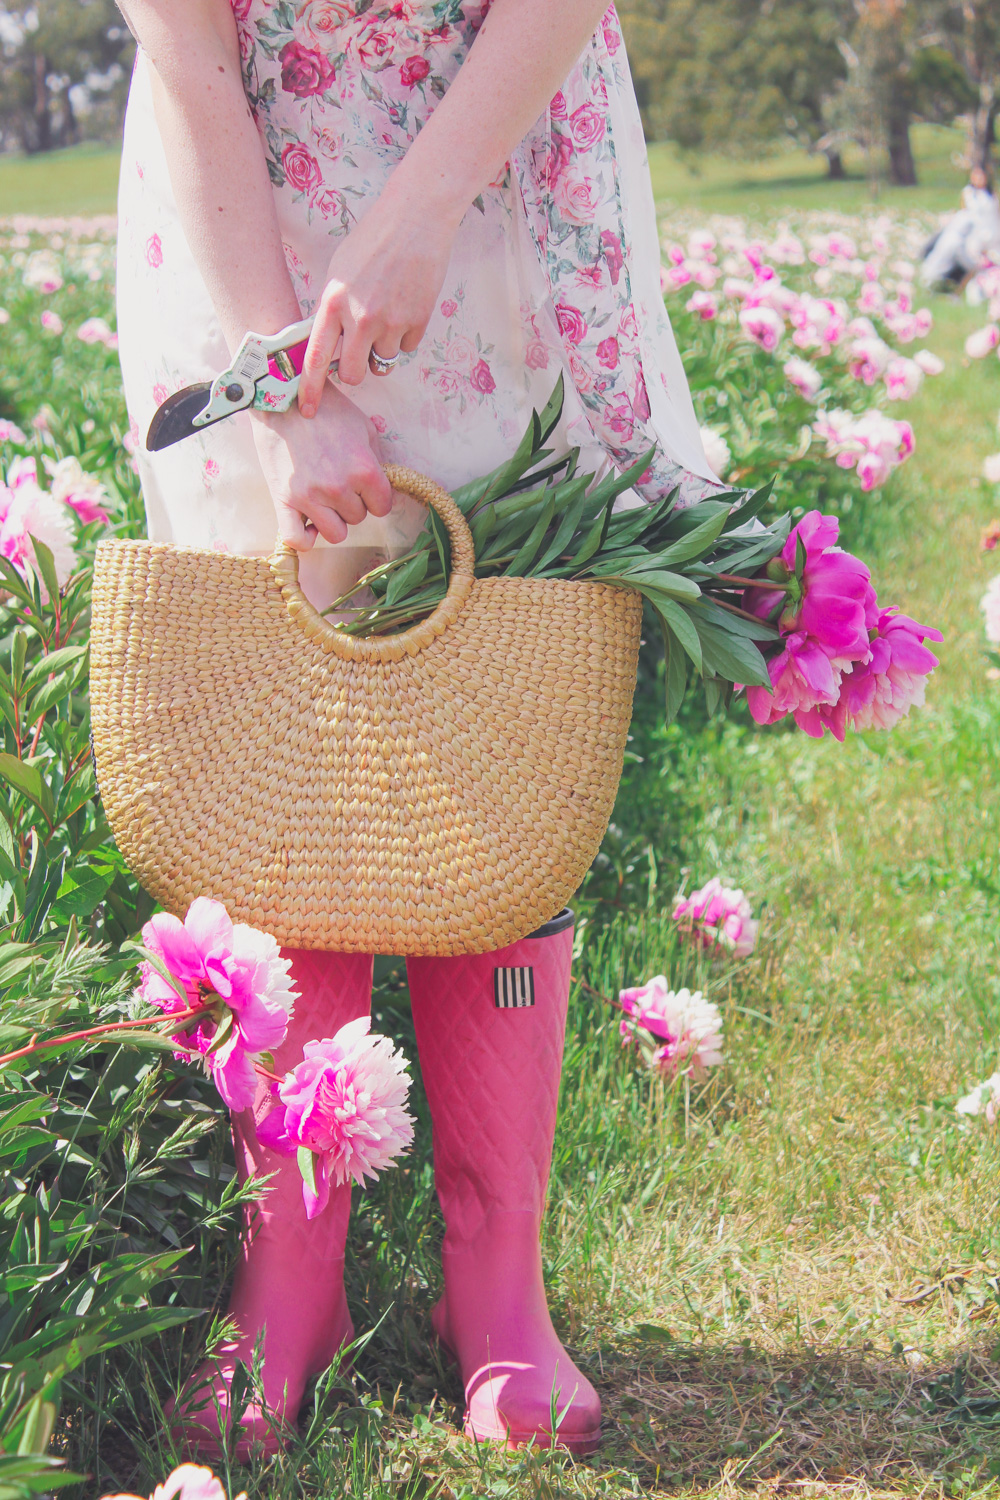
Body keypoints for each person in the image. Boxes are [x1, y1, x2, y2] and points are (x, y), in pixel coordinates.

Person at [115, 0, 720, 1457]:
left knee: (492, 694)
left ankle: (494, 1271)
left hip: (496, 162)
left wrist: (425, 207)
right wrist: (281, 384)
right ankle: (292, 1269)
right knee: (291, 714)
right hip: (244, 192)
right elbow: (190, 53)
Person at [920, 164, 1000, 288]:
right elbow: (966, 213)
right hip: (974, 232)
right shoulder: (969, 193)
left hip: (992, 231)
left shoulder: (991, 194)